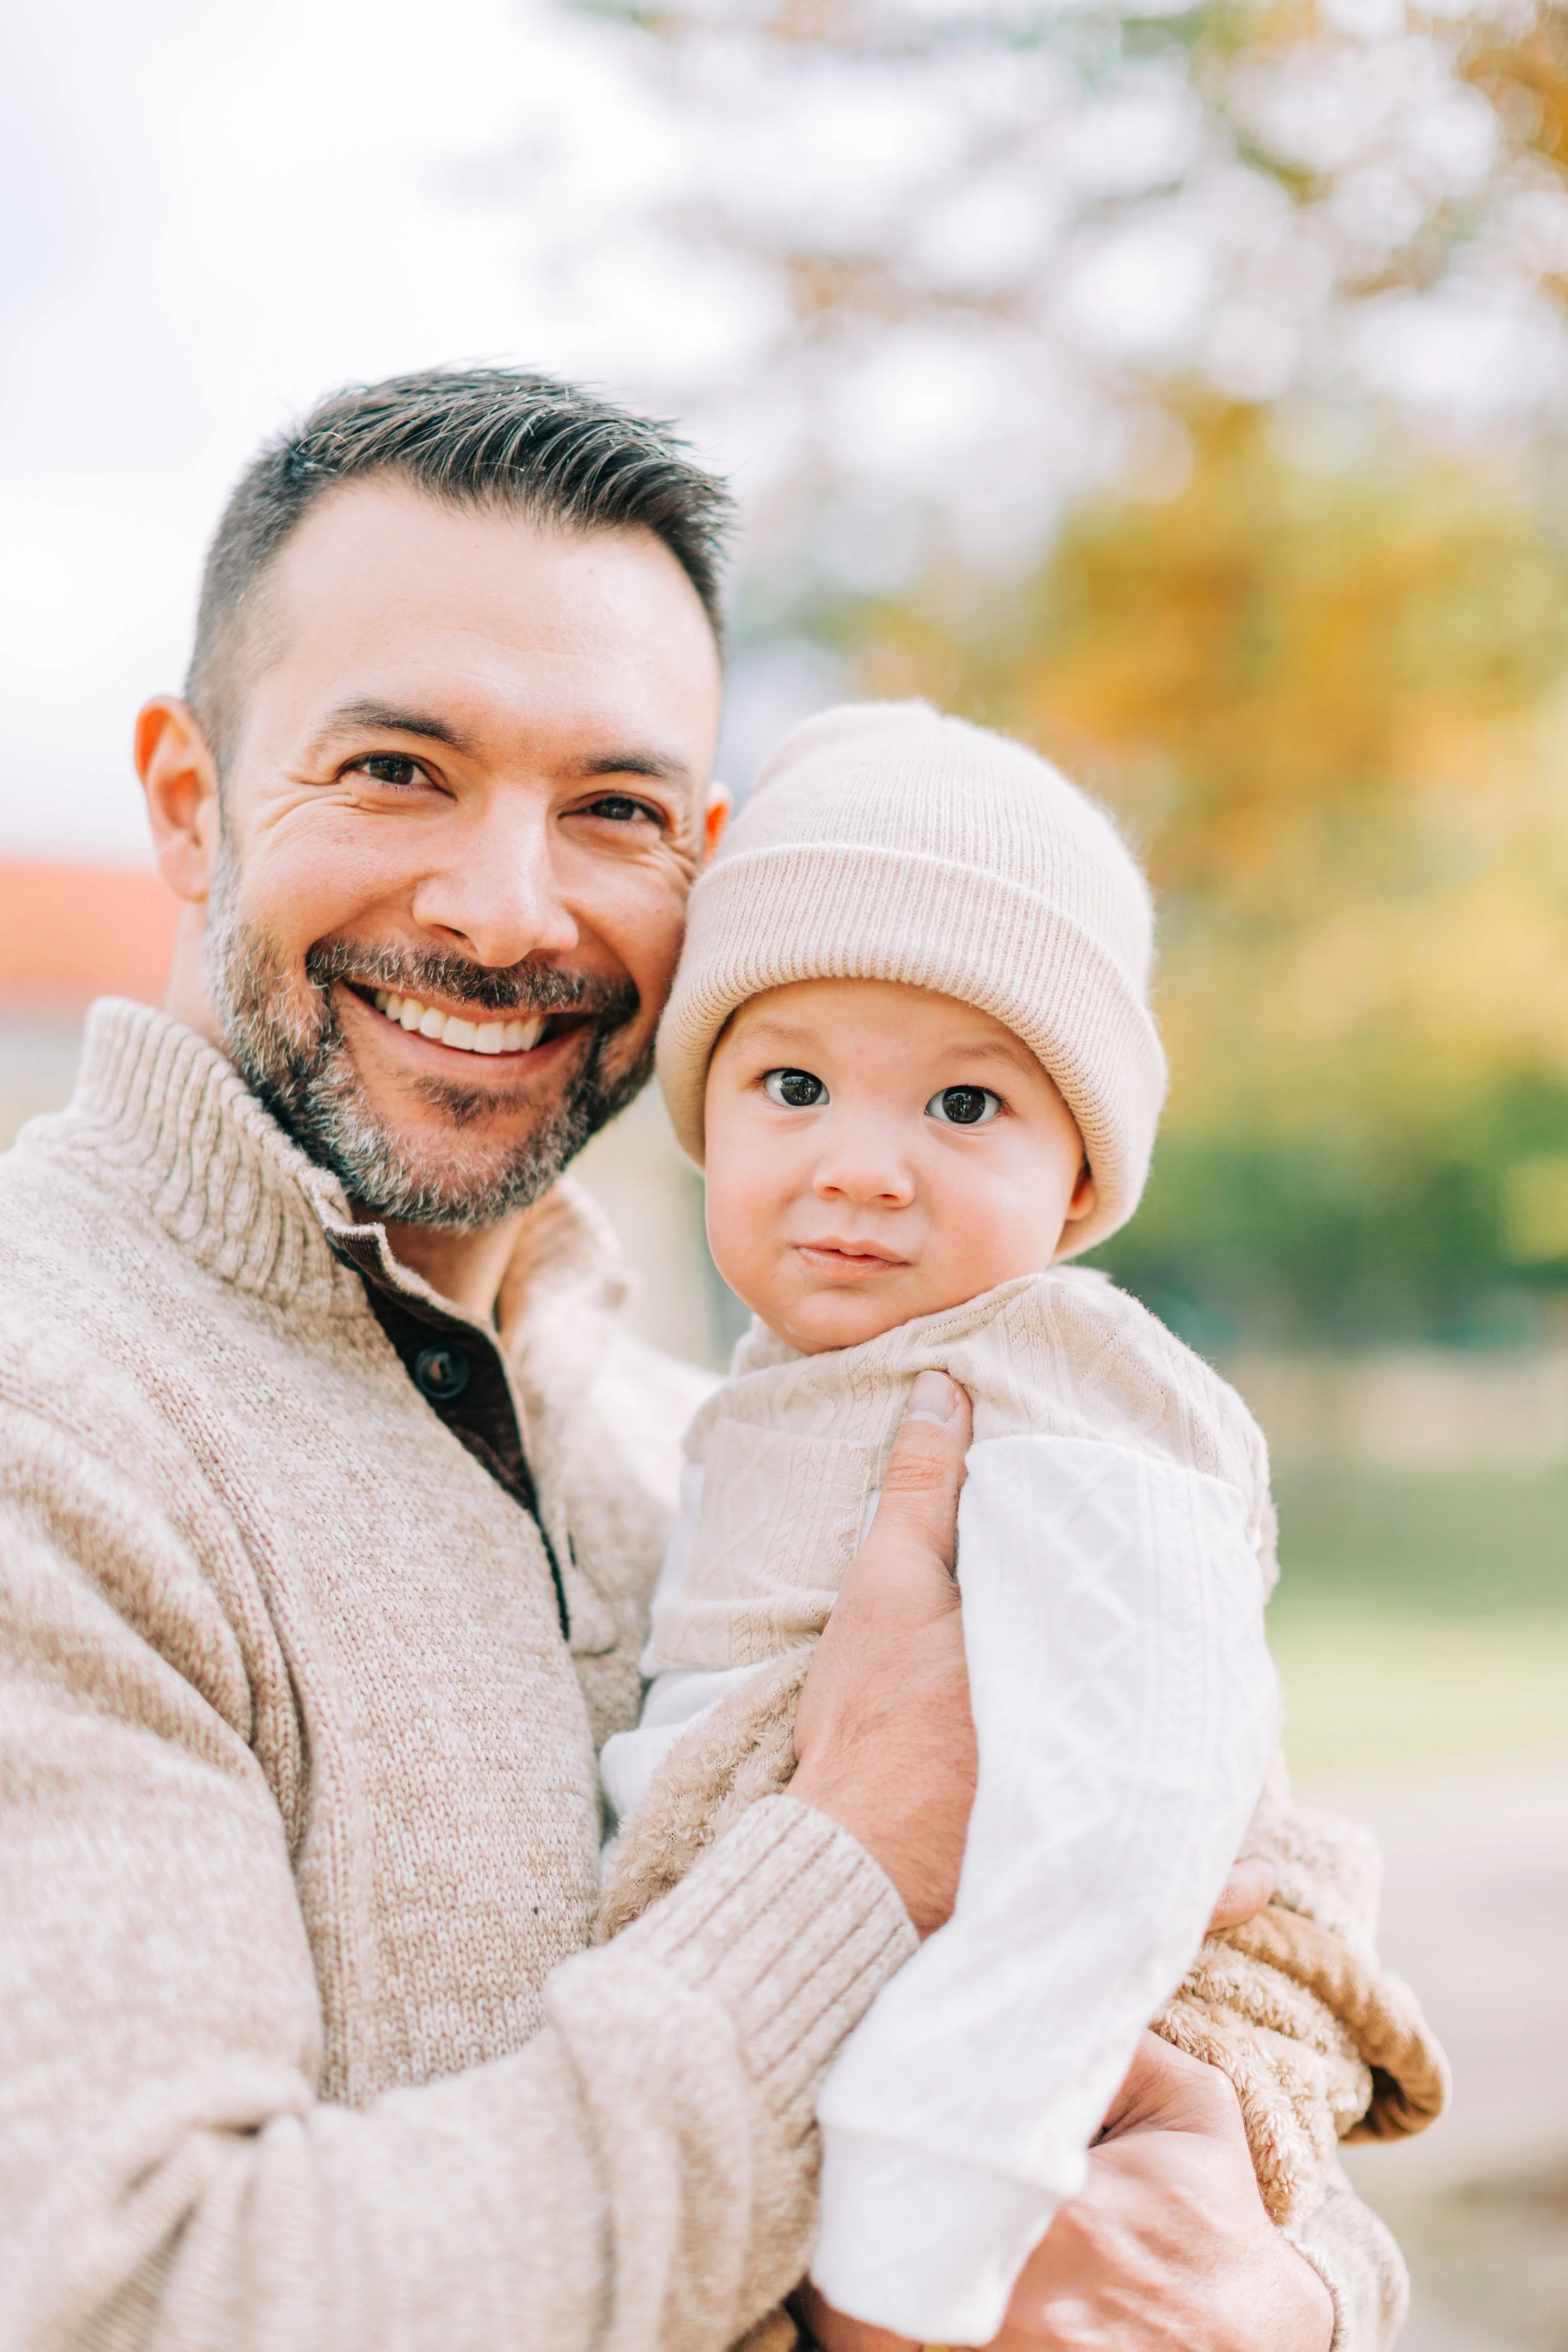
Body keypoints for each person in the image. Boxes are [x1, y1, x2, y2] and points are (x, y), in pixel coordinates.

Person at [0, 367, 1398, 2351]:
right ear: (186, 803)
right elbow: (147, 2298)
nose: (505, 906)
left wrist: (1274, 2272)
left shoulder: (726, 1442)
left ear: (707, 868)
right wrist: (850, 1863)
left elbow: (1252, 1916)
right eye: (395, 767)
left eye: (615, 809)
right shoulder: (50, 1424)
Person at [600, 701, 1447, 2346]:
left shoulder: (1059, 1385)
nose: (862, 1165)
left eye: (963, 1107)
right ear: (707, 1121)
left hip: (1036, 2085)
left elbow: (1125, 1807)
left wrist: (921, 2227)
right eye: (792, 1084)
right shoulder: (763, 1395)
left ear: (1075, 1182)